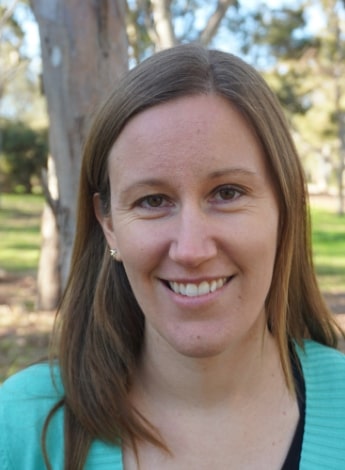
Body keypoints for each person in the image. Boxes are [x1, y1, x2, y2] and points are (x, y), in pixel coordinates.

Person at [1, 43, 345, 470]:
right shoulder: (20, 427)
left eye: (227, 193)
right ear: (109, 224)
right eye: (152, 200)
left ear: (285, 207)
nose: (192, 250)